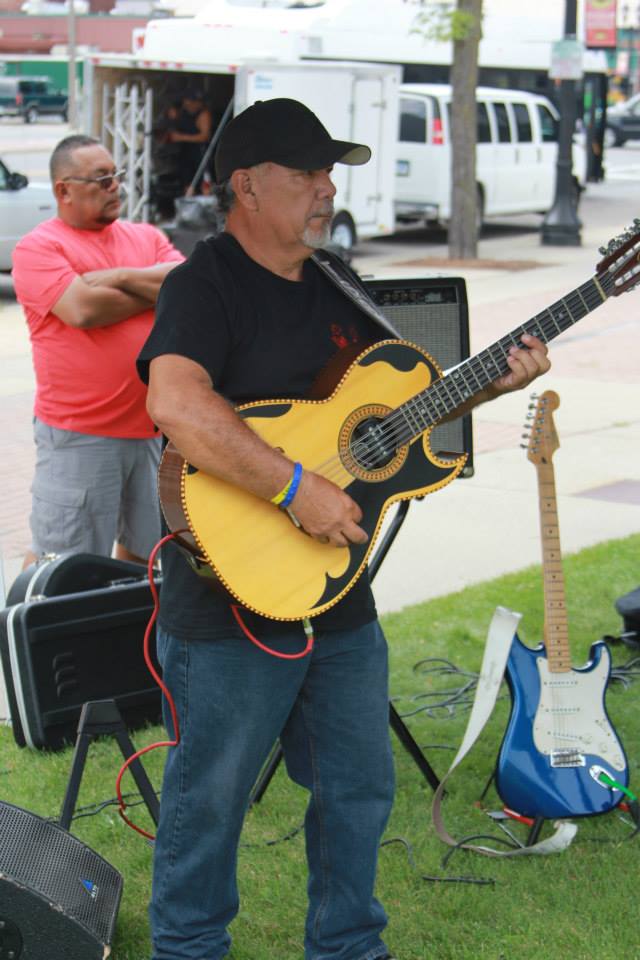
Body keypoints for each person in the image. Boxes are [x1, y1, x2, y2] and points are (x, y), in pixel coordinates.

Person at [138, 97, 551, 960]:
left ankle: (349, 944)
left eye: (332, 173)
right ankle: (187, 947)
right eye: (309, 173)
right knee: (209, 795)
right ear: (247, 186)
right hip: (229, 602)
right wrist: (295, 488)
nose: (329, 188)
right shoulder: (203, 283)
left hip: (338, 596)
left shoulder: (339, 284)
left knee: (359, 786)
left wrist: (491, 385)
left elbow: (397, 415)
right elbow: (176, 404)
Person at [11, 134, 184, 569]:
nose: (115, 186)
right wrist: (151, 289)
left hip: (149, 432)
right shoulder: (39, 248)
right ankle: (27, 636)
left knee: (144, 558)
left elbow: (186, 286)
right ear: (63, 190)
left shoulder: (144, 236)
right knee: (63, 565)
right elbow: (83, 309)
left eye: (117, 176)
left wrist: (118, 275)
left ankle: (118, 634)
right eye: (101, 179)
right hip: (81, 436)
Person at [168, 88, 213, 194]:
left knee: (204, 181)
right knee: (187, 181)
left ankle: (206, 204)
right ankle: (188, 204)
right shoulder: (181, 111)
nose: (191, 104)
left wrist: (182, 137)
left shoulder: (203, 114)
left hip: (199, 152)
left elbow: (205, 136)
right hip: (185, 152)